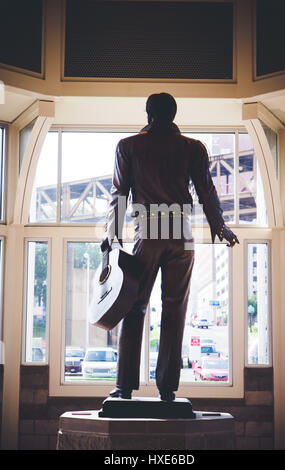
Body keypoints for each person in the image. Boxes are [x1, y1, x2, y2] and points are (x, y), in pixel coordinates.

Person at [103, 93, 239, 401]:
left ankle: (124, 387)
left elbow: (119, 193)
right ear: (174, 114)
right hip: (180, 231)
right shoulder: (193, 147)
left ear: (148, 114)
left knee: (134, 307)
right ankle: (167, 388)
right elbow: (206, 190)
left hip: (148, 230)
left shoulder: (129, 146)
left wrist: (112, 233)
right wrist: (219, 226)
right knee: (175, 310)